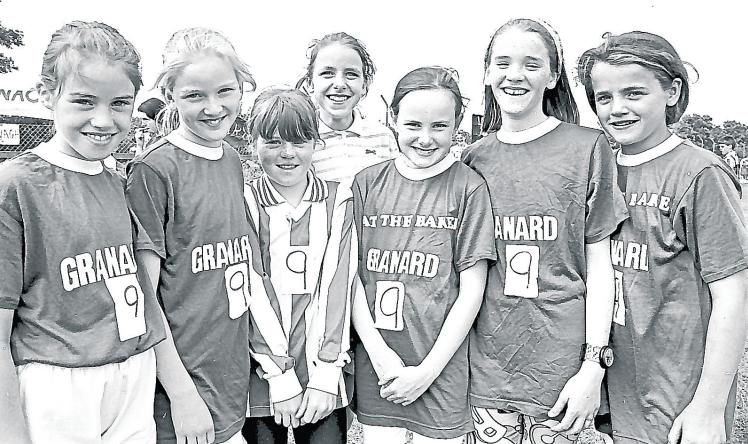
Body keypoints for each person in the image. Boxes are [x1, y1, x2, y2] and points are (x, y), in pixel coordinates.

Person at [578, 30, 748, 444]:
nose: (617, 108)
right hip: (619, 384)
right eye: (604, 97)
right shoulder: (598, 169)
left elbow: (734, 294)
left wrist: (709, 406)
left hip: (677, 394)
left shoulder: (699, 172)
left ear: (672, 92)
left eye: (634, 93)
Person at [462, 19, 628, 444]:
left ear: (552, 76)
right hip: (488, 363)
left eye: (531, 64)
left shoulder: (587, 148)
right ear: (487, 72)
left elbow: (600, 265)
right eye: (503, 63)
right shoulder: (473, 158)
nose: (514, 75)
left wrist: (593, 364)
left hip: (560, 362)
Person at [0, 21, 165, 444]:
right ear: (46, 94)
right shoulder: (16, 186)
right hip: (59, 384)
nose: (103, 120)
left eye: (120, 103)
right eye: (84, 101)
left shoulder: (119, 181)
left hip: (132, 374)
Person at [125, 27, 256, 444]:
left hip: (228, 380)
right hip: (180, 394)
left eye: (225, 91)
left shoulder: (231, 159)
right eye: (195, 95)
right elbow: (143, 299)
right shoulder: (154, 170)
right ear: (170, 95)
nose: (214, 108)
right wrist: (182, 395)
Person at [352, 66, 496, 444]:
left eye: (440, 126)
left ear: (457, 125)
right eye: (413, 125)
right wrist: (378, 354)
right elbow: (350, 277)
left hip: (440, 370)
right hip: (379, 366)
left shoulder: (468, 188)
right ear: (393, 119)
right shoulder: (367, 183)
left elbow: (472, 291)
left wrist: (428, 372)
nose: (426, 138)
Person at [240, 88, 356, 444]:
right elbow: (252, 287)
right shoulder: (244, 201)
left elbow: (338, 285)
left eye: (300, 141)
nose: (288, 153)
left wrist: (326, 372)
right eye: (274, 142)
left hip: (323, 371)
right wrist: (279, 373)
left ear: (316, 143)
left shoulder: (339, 199)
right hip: (261, 373)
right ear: (253, 143)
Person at [298, 32, 399, 186]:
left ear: (364, 85)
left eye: (351, 74)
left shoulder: (382, 138)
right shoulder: (300, 141)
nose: (339, 84)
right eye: (327, 73)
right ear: (310, 84)